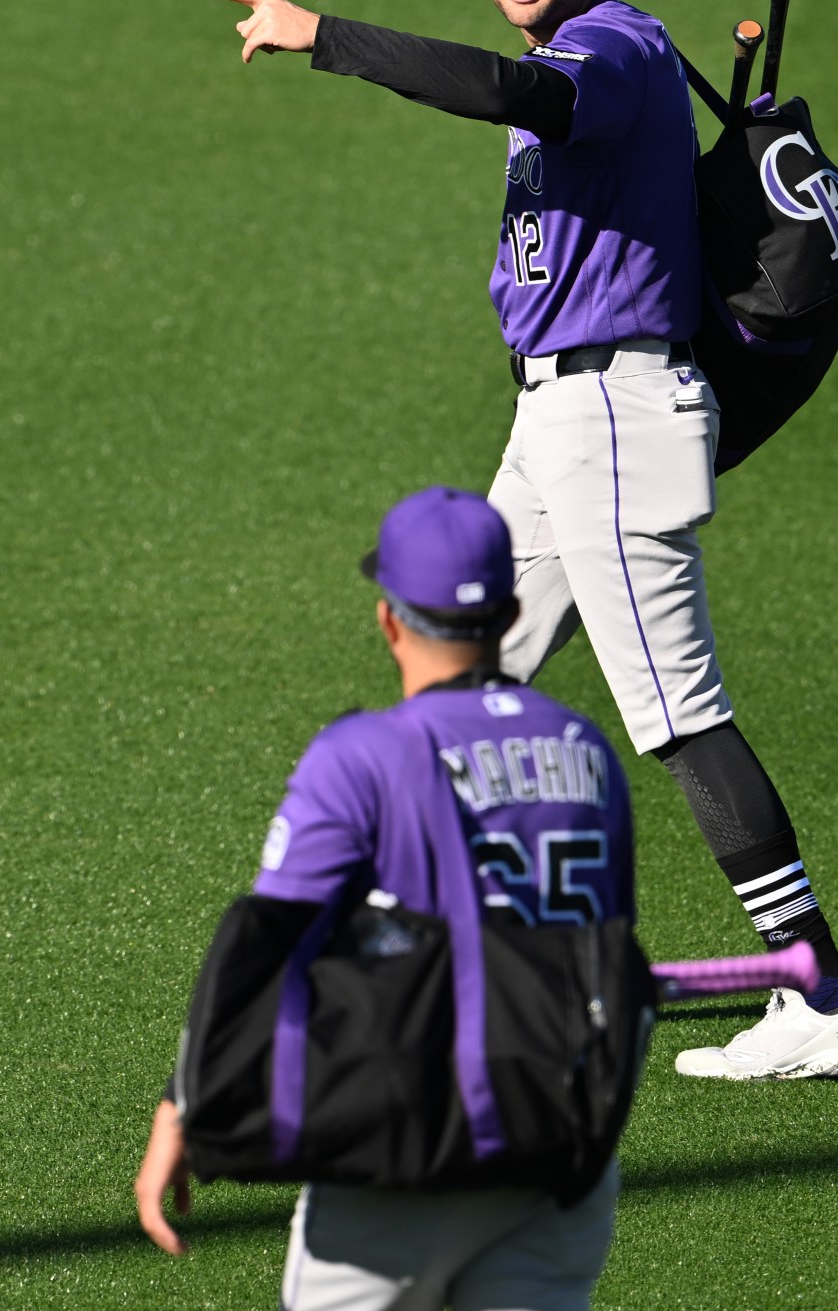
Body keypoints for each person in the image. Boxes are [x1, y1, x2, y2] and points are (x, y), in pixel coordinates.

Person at [203, 0, 838, 1079]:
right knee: (474, 675)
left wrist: (329, 37)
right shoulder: (581, 45)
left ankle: (821, 990)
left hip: (615, 418)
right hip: (562, 421)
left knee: (677, 713)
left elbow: (523, 96)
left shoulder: (612, 48)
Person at [134, 486, 634, 1307]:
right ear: (510, 614)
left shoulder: (363, 756)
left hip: (407, 1152)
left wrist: (183, 1104)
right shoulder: (586, 752)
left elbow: (264, 943)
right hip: (559, 1147)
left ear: (389, 619)